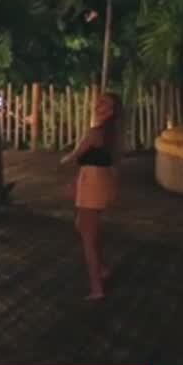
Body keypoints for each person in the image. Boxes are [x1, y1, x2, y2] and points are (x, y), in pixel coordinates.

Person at [59, 92, 122, 300]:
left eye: (105, 104)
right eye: (100, 101)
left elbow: (75, 155)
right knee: (83, 225)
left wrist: (63, 160)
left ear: (111, 112)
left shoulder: (96, 132)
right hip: (99, 182)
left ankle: (97, 287)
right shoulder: (112, 134)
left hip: (92, 184)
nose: (99, 105)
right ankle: (101, 268)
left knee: (87, 236)